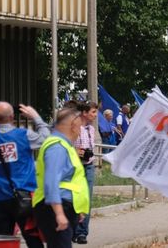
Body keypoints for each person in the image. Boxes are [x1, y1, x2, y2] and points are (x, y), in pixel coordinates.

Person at [0, 102, 48, 247]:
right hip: (24, 195)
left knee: (2, 240)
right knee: (32, 237)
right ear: (12, 117)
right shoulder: (24, 135)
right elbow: (46, 138)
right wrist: (35, 117)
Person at [33, 106, 89, 248]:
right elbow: (51, 182)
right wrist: (59, 213)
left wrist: (78, 211)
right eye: (80, 126)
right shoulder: (57, 147)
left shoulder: (65, 145)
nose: (80, 130)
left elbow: (72, 181)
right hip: (55, 208)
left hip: (64, 207)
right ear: (73, 126)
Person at [72, 101, 98, 244]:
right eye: (93, 112)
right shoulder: (74, 127)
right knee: (74, 198)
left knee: (86, 199)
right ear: (84, 112)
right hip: (75, 167)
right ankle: (72, 230)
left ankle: (82, 232)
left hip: (89, 166)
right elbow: (67, 145)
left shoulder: (91, 129)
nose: (95, 115)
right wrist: (77, 151)